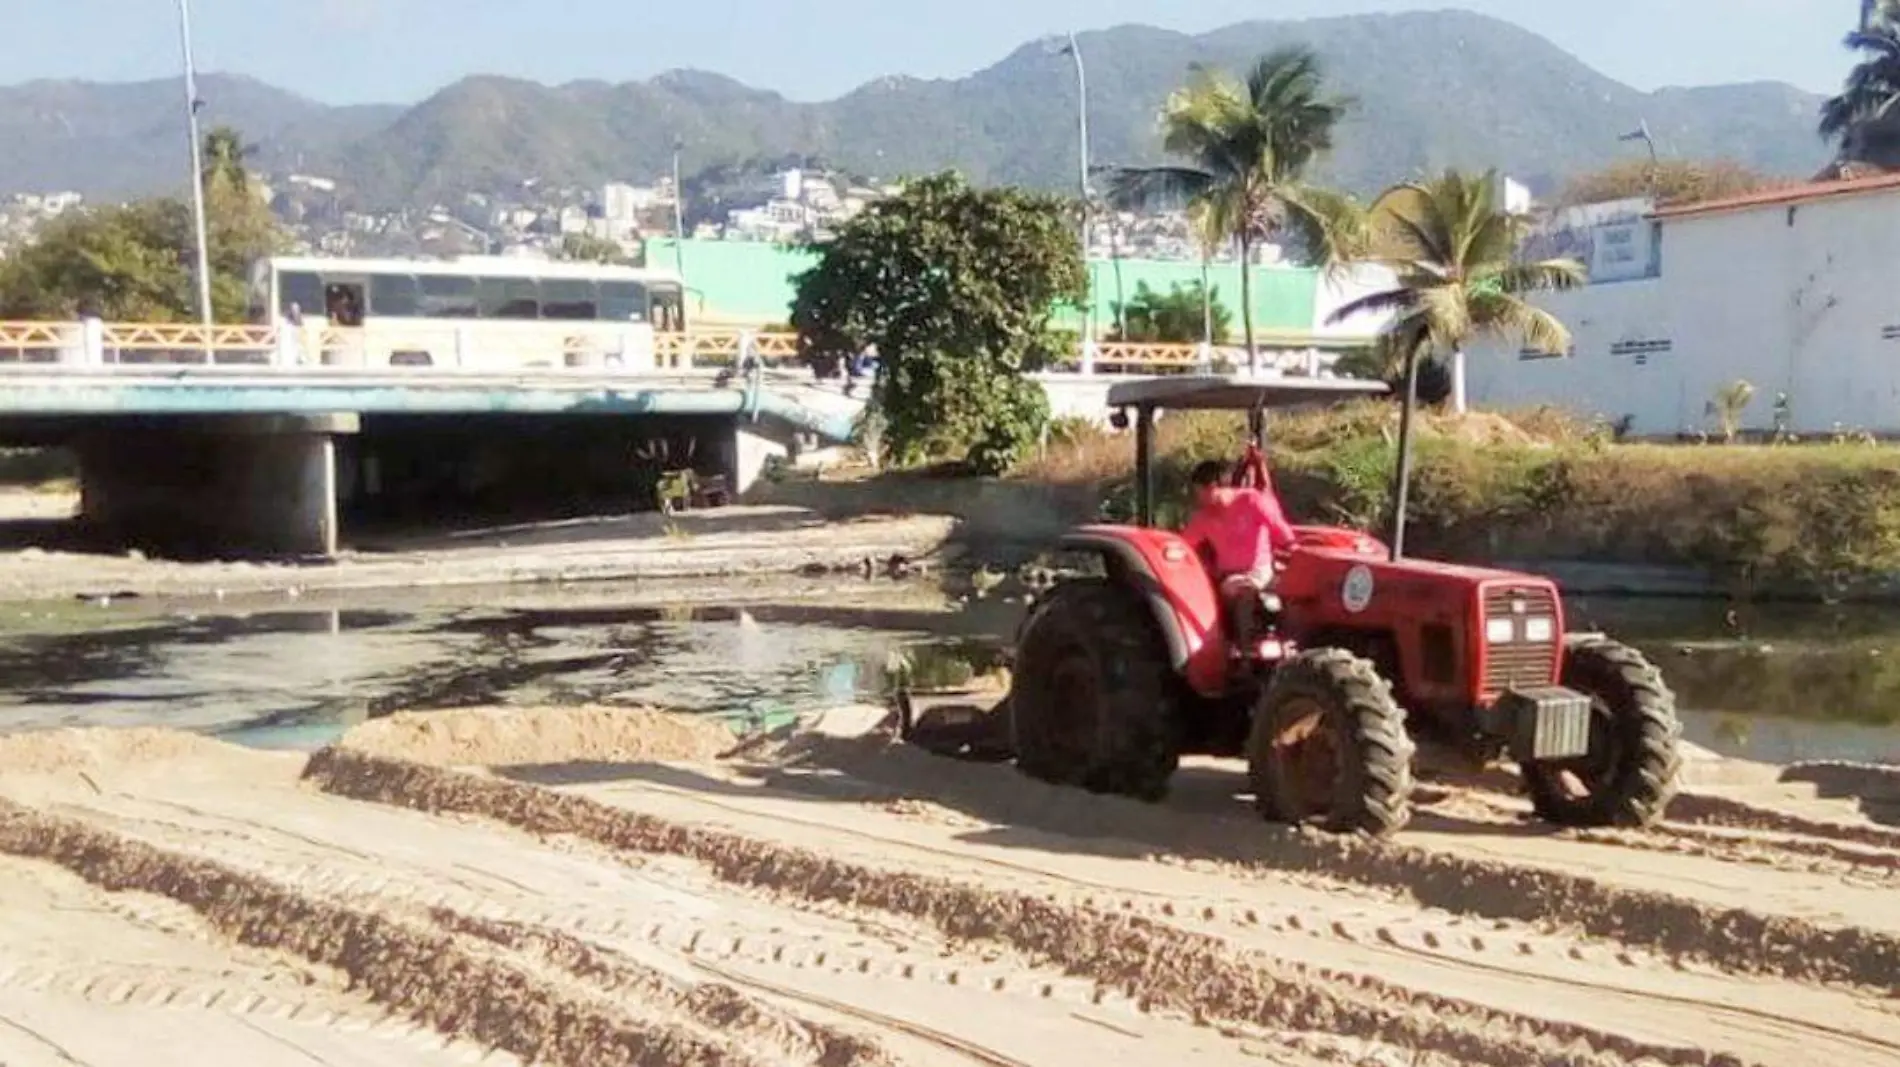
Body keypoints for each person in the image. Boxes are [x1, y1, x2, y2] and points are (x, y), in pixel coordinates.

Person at [1181, 458, 1298, 652]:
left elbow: (1279, 529)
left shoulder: (1252, 501)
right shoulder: (1203, 519)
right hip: (1231, 576)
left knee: (1296, 594)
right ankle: (1246, 654)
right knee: (1245, 591)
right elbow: (1185, 544)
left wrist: (1294, 551)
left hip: (1262, 571)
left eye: (1199, 492)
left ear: (1213, 487)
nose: (1197, 498)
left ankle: (1291, 647)